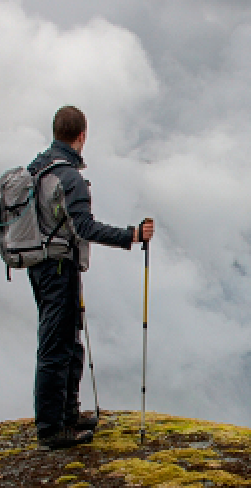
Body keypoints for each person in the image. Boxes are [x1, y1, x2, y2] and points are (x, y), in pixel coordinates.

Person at [27, 105, 154, 449]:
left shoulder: (37, 169)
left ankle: (68, 415)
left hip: (42, 266)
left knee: (66, 339)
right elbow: (84, 227)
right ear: (82, 136)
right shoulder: (69, 177)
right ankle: (53, 429)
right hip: (58, 268)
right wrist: (132, 235)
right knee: (57, 344)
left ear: (56, 132)